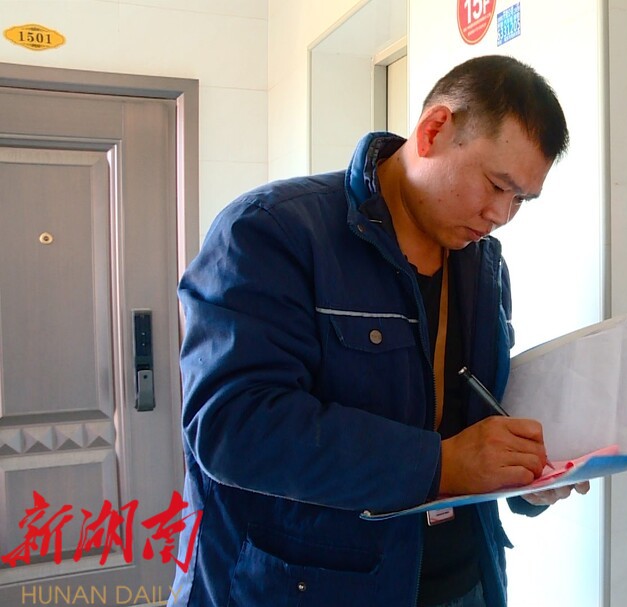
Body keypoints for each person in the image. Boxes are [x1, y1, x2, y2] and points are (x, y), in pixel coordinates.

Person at [167, 55, 588, 607]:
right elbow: (232, 426)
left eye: (520, 200)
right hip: (314, 589)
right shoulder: (272, 230)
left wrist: (530, 478)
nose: (501, 215)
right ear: (434, 130)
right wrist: (441, 465)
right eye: (495, 185)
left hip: (467, 582)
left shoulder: (483, 266)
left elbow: (477, 417)